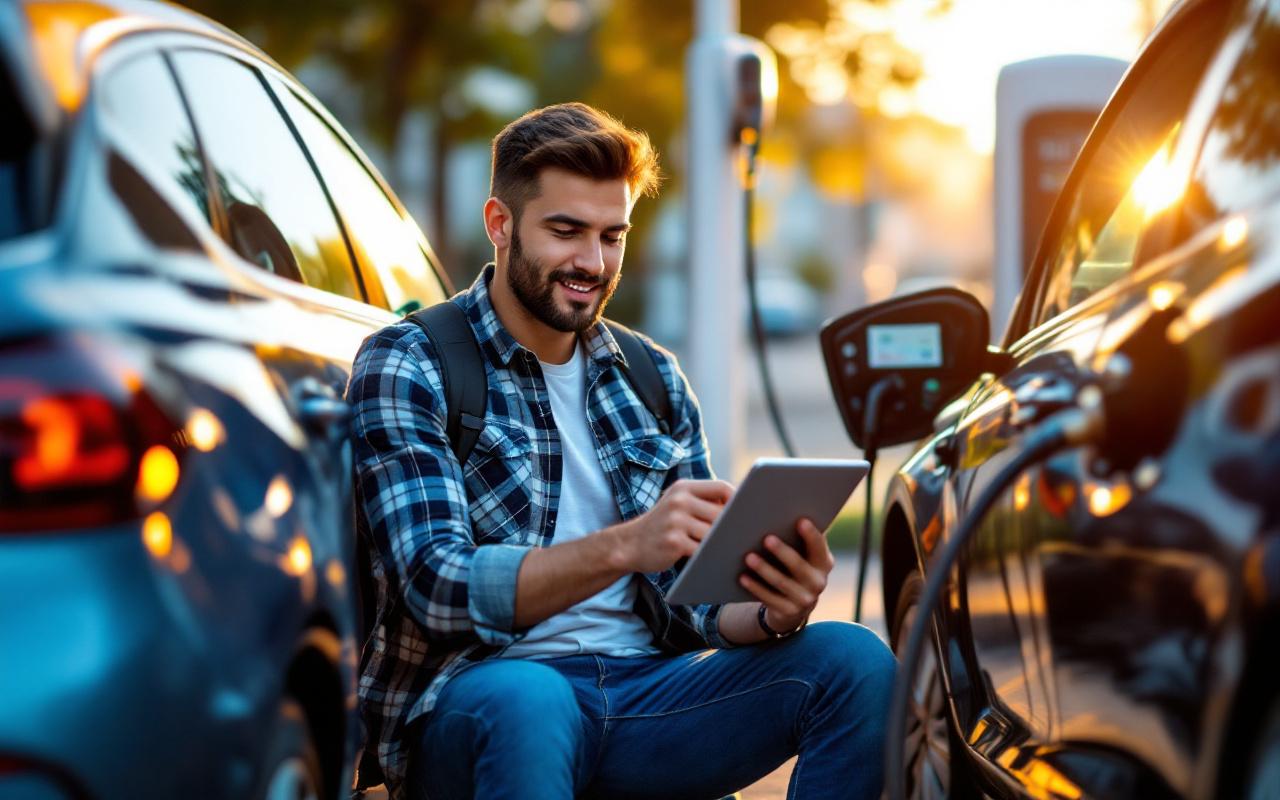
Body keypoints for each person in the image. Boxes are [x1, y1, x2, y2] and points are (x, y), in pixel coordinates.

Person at [348, 102, 895, 800]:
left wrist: (767, 610)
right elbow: (435, 585)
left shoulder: (653, 378)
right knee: (530, 698)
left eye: (613, 236)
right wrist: (622, 546)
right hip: (483, 702)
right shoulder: (413, 361)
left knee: (855, 661)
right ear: (500, 224)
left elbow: (691, 605)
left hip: (647, 700)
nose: (593, 262)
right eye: (566, 231)